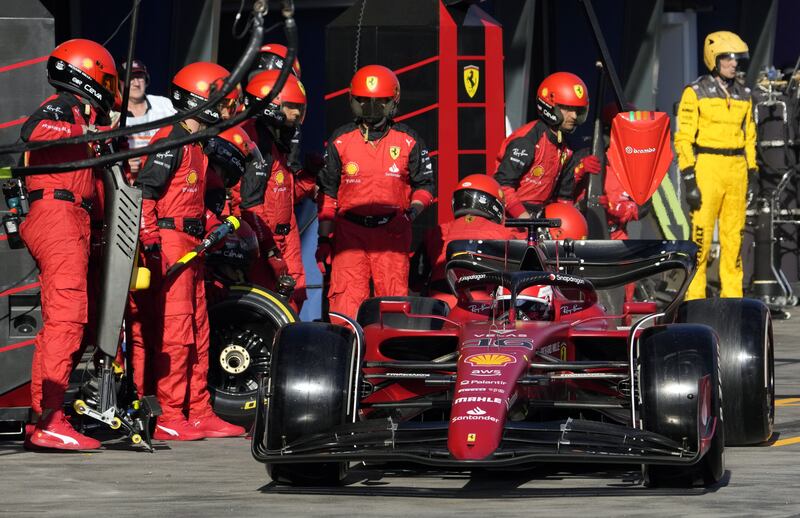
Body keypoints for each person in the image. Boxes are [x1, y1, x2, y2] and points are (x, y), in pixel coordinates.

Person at [135, 61, 244, 440]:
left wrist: (218, 227)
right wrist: (151, 243)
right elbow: (145, 194)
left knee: (199, 330)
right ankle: (168, 414)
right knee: (177, 333)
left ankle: (198, 410)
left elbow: (191, 203)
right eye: (221, 100)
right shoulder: (172, 139)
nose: (226, 108)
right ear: (201, 100)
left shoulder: (197, 145)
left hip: (192, 245)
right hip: (170, 245)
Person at [20, 39, 119, 450]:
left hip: (71, 219)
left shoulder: (79, 113)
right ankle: (51, 420)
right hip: (57, 216)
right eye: (108, 79)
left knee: (66, 320)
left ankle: (44, 415)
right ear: (87, 73)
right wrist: (90, 130)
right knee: (68, 317)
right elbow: (33, 131)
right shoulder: (62, 108)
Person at [317, 64, 435, 318]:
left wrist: (409, 216)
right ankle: (348, 353)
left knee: (392, 306)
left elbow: (425, 187)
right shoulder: (340, 141)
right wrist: (324, 240)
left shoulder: (409, 140)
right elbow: (328, 194)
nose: (371, 110)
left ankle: (388, 356)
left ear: (392, 102)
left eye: (378, 103)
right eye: (364, 103)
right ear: (353, 102)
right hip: (349, 234)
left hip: (392, 232)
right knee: (345, 306)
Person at [674, 31, 757, 299]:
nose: (734, 63)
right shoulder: (695, 92)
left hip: (737, 169)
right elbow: (683, 138)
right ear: (714, 59)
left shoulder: (745, 94)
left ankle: (733, 300)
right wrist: (689, 178)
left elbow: (750, 137)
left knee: (734, 241)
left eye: (736, 59)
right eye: (728, 58)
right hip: (707, 167)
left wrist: (752, 172)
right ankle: (694, 299)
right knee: (701, 240)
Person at [240, 70, 308, 308]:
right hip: (263, 243)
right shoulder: (256, 143)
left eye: (300, 107)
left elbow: (285, 197)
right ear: (272, 106)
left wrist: (309, 178)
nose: (297, 114)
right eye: (292, 107)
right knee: (266, 305)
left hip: (285, 237)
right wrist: (269, 250)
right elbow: (250, 204)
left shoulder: (277, 145)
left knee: (294, 301)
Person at [494, 72, 600, 219]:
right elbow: (502, 186)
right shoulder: (527, 141)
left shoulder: (566, 149)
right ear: (549, 106)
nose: (574, 116)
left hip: (540, 217)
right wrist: (525, 219)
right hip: (511, 218)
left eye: (577, 110)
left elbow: (563, 196)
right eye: (567, 108)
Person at [417, 175, 519, 307]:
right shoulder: (506, 233)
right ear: (494, 204)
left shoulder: (436, 232)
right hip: (482, 308)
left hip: (437, 308)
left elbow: (416, 280)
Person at [119, 59, 177, 168]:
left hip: (161, 172)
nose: (136, 83)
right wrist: (123, 162)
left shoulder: (164, 104)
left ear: (147, 80)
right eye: (130, 78)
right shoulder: (113, 113)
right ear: (119, 82)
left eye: (140, 77)